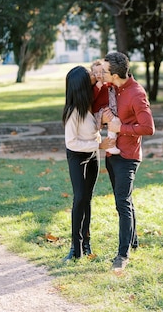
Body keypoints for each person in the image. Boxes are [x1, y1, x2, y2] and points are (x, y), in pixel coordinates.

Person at [101, 52, 155, 271]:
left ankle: (122, 255)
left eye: (104, 71)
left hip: (128, 157)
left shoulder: (136, 93)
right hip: (112, 155)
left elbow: (148, 128)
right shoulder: (112, 89)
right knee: (123, 201)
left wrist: (119, 128)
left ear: (114, 74)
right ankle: (133, 242)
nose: (101, 73)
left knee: (122, 203)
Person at [62, 66, 115, 262]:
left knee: (88, 199)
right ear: (82, 85)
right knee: (79, 198)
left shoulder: (88, 105)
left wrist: (102, 120)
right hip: (78, 157)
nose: (94, 77)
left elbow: (93, 129)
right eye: (90, 76)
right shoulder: (73, 112)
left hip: (93, 155)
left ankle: (86, 242)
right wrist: (99, 144)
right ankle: (75, 248)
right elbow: (71, 142)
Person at [90, 60, 121, 155]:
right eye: (95, 73)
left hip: (107, 110)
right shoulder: (95, 87)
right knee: (114, 121)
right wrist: (97, 87)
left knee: (116, 121)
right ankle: (111, 146)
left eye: (101, 72)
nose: (98, 74)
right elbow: (91, 99)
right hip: (98, 112)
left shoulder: (108, 85)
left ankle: (112, 143)